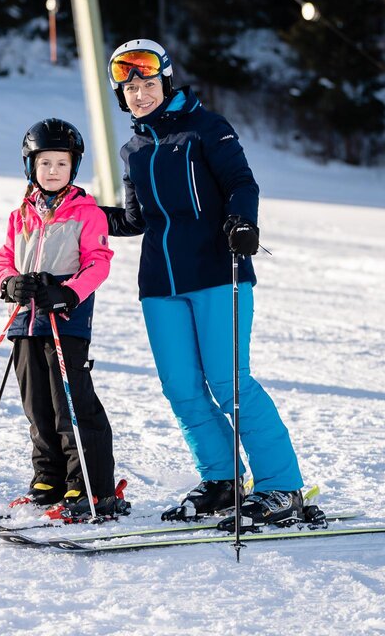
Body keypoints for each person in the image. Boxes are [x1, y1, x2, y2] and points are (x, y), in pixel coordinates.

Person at [100, 39, 304, 530]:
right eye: (130, 89)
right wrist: (81, 213)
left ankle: (282, 488)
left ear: (165, 83)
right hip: (160, 284)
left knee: (230, 382)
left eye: (149, 84)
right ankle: (222, 481)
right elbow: (135, 220)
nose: (141, 95)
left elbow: (241, 183)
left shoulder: (207, 128)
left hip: (218, 271)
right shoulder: (134, 150)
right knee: (182, 389)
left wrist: (241, 222)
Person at [0, 118, 127, 522]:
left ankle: (88, 485)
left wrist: (68, 292)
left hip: (65, 321)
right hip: (24, 324)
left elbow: (99, 263)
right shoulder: (21, 214)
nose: (52, 171)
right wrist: (9, 284)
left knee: (70, 404)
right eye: (45, 163)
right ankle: (47, 478)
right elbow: (4, 258)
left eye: (61, 164)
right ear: (30, 166)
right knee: (37, 406)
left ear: (74, 167)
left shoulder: (87, 212)